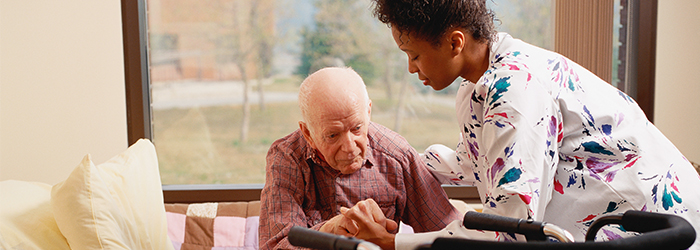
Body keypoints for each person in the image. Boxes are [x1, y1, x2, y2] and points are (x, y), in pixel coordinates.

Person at [341, 0, 700, 249]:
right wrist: (393, 157)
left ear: (454, 43)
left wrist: (396, 242)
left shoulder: (514, 90)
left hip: (657, 227)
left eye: (414, 55)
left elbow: (510, 230)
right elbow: (473, 162)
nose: (411, 68)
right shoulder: (476, 86)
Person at [258, 67, 462, 250]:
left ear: (369, 112)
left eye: (357, 128)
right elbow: (274, 245)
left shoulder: (398, 156)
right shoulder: (287, 157)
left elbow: (449, 235)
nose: (349, 147)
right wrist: (329, 230)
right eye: (332, 135)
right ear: (308, 134)